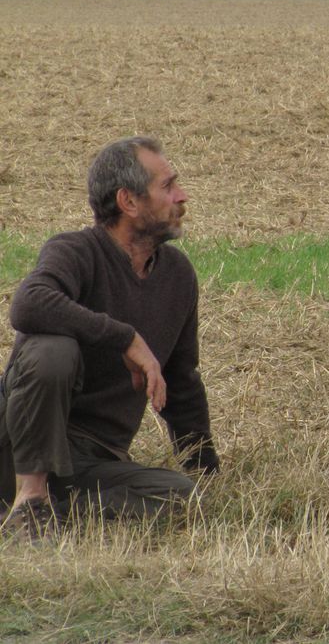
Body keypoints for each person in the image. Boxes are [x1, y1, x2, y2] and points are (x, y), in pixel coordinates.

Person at [0, 137, 220, 542]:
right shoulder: (75, 251)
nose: (182, 196)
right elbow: (28, 305)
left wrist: (205, 468)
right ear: (129, 202)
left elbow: (182, 381)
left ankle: (38, 510)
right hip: (14, 443)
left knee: (182, 497)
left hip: (89, 462)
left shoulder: (177, 276)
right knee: (53, 349)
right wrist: (125, 338)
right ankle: (29, 495)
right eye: (168, 186)